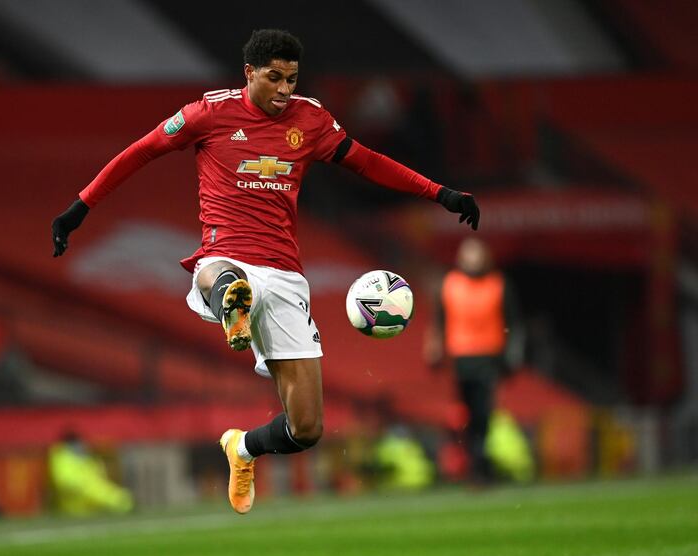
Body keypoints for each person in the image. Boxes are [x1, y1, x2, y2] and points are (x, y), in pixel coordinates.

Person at [51, 29, 480, 514]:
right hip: (225, 253)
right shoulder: (208, 113)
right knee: (222, 276)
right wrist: (80, 207)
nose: (283, 90)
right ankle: (233, 304)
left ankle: (242, 448)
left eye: (291, 80)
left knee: (307, 429)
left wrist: (440, 192)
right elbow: (140, 151)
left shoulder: (312, 119)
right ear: (249, 73)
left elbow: (367, 162)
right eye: (273, 78)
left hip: (285, 276)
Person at [426, 237, 523, 484]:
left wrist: (512, 355)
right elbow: (439, 320)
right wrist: (434, 347)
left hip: (489, 357)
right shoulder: (450, 285)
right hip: (460, 358)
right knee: (467, 413)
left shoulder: (498, 285)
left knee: (483, 412)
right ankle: (475, 464)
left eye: (476, 254)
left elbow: (513, 322)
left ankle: (481, 464)